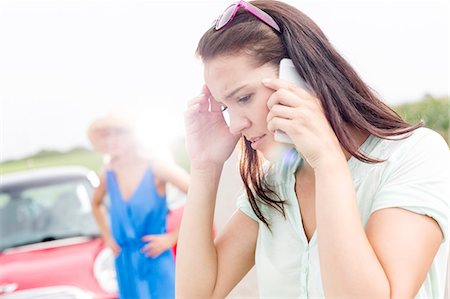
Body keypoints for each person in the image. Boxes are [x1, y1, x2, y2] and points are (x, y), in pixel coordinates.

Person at [176, 1, 450, 298]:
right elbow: (197, 293)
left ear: (301, 76)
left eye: (243, 98)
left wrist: (328, 163)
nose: (235, 126)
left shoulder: (414, 155)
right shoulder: (275, 183)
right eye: (227, 107)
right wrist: (205, 166)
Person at [87, 114, 189, 299]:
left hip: (155, 258)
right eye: (107, 135)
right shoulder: (108, 173)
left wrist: (173, 237)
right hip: (124, 262)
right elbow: (95, 204)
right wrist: (108, 238)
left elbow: (198, 194)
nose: (112, 141)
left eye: (118, 134)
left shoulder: (156, 167)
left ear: (133, 136)